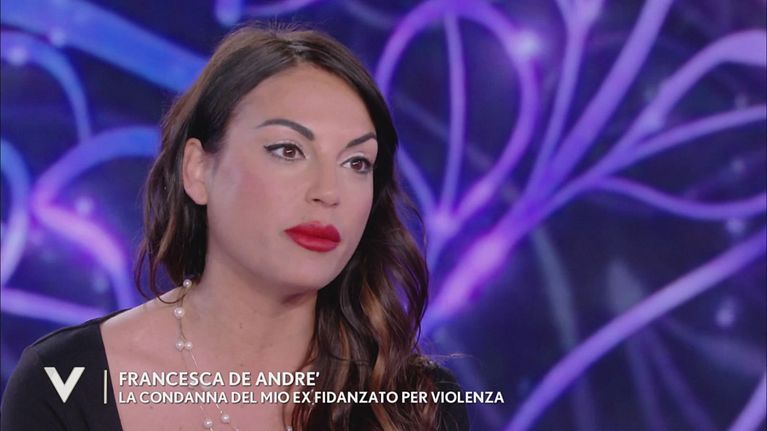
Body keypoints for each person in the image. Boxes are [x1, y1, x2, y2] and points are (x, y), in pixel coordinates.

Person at [1, 24, 469, 430]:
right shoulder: (66, 383)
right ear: (198, 170)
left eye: (356, 162)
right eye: (288, 150)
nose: (329, 191)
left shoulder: (416, 403)